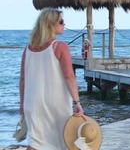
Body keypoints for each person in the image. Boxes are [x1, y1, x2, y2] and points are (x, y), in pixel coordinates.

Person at [19, 8, 84, 150]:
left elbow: (23, 80)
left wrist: (22, 104)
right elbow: (69, 76)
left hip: (32, 104)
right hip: (56, 105)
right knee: (62, 142)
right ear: (50, 24)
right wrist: (77, 102)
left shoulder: (28, 49)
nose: (64, 24)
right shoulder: (60, 47)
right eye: (61, 21)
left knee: (35, 143)